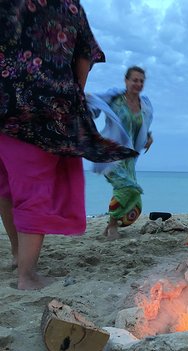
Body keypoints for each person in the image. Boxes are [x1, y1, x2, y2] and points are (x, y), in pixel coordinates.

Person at [0, 1, 136, 289]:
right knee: (33, 188)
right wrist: (73, 93)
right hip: (41, 108)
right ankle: (28, 275)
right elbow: (84, 54)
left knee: (6, 185)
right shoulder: (66, 6)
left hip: (3, 105)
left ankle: (17, 254)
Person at [87, 67, 154, 240]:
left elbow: (143, 125)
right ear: (126, 81)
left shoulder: (145, 104)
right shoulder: (115, 98)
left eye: (141, 81)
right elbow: (92, 103)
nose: (138, 84)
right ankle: (112, 226)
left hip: (129, 156)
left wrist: (148, 136)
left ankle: (110, 226)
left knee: (127, 191)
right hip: (110, 151)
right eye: (135, 80)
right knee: (127, 187)